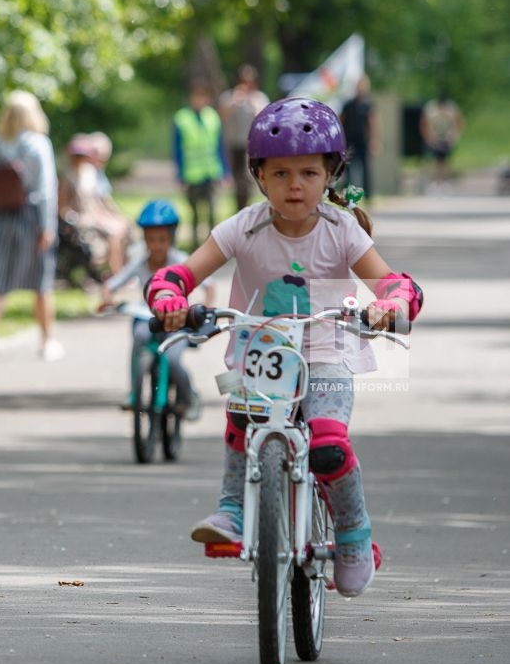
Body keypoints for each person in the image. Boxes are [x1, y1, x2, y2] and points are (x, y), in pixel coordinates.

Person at [147, 98, 424, 598]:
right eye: (279, 173)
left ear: (330, 175)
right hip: (260, 351)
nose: (294, 186)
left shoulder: (342, 230)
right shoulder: (244, 227)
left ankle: (354, 535)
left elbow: (392, 282)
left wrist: (391, 304)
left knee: (327, 444)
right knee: (239, 415)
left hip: (326, 354)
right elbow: (181, 273)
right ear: (259, 176)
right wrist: (169, 297)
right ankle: (232, 510)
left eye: (308, 173)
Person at [98, 199, 211, 419]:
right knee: (139, 341)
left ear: (172, 238)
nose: (157, 245)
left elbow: (209, 283)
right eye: (151, 240)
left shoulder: (181, 262)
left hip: (176, 320)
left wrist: (206, 306)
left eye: (162, 239)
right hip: (147, 318)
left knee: (174, 359)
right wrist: (107, 298)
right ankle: (135, 392)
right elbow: (112, 284)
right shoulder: (139, 263)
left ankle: (189, 396)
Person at [0, 90, 61, 361]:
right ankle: (47, 341)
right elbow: (46, 189)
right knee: (41, 281)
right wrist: (48, 226)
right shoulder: (38, 144)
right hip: (31, 215)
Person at [58, 134, 130, 277]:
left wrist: (110, 215)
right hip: (80, 219)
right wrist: (71, 217)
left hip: (95, 215)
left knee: (123, 227)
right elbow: (62, 206)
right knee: (114, 234)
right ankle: (117, 274)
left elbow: (97, 202)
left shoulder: (89, 173)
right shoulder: (68, 177)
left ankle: (120, 271)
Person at [173, 82, 228, 249]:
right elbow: (177, 149)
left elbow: (220, 145)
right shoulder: (182, 119)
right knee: (195, 213)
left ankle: (212, 246)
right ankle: (196, 245)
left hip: (211, 172)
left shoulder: (212, 117)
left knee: (212, 211)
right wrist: (180, 174)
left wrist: (225, 171)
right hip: (192, 174)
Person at [218, 65, 269, 210]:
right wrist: (236, 100)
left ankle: (249, 205)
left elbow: (264, 117)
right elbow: (222, 115)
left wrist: (252, 103)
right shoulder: (230, 96)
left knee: (249, 178)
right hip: (233, 145)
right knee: (235, 180)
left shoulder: (259, 97)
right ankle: (238, 207)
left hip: (251, 146)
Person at [339, 75, 378, 198]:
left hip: (362, 141)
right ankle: (347, 196)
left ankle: (368, 197)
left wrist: (373, 140)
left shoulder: (368, 105)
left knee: (365, 169)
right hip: (349, 141)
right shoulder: (348, 105)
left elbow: (373, 123)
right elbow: (341, 121)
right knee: (348, 170)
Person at [419, 90, 465, 184]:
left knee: (445, 158)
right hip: (434, 137)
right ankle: (435, 178)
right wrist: (428, 137)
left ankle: (444, 178)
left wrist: (455, 135)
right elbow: (423, 123)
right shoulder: (431, 108)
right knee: (434, 158)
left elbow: (459, 121)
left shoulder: (452, 108)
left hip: (447, 137)